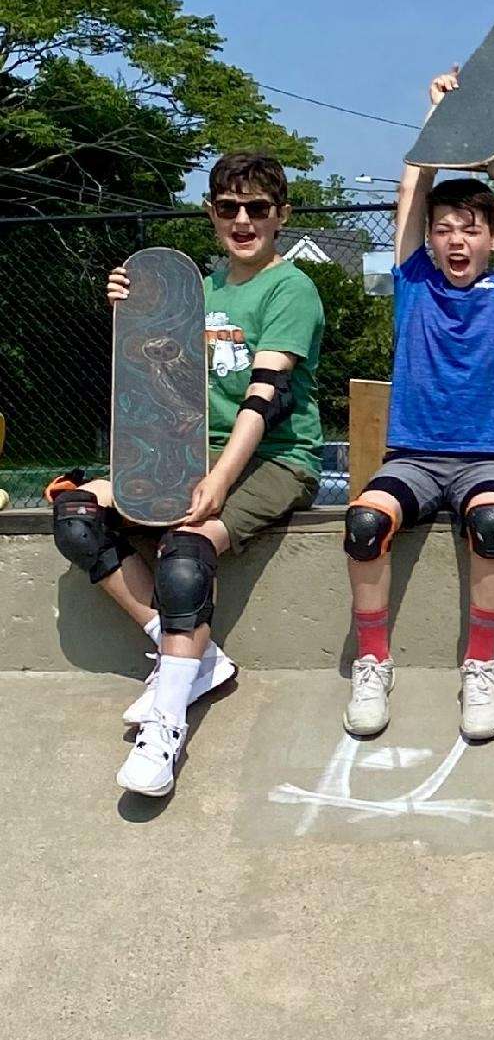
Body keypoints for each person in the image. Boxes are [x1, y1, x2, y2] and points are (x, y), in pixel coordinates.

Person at [53, 153, 326, 796]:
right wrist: (132, 304)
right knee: (77, 516)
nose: (242, 220)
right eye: (229, 207)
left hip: (275, 456)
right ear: (211, 212)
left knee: (185, 551)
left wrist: (218, 484)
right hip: (186, 449)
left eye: (257, 208)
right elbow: (153, 381)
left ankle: (166, 725)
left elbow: (263, 400)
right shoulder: (197, 287)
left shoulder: (291, 290)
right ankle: (195, 660)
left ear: (281, 216)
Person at [339, 70, 494, 743]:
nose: (458, 240)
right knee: (365, 525)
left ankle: (481, 668)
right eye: (445, 229)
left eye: (472, 229)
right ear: (429, 238)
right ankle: (373, 662)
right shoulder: (411, 285)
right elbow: (409, 191)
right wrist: (436, 118)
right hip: (415, 460)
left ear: (492, 239)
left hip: (488, 459)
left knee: (490, 521)